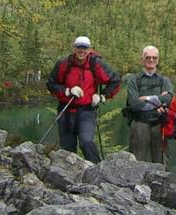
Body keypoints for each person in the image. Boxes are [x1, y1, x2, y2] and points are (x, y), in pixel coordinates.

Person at [46, 35, 121, 163]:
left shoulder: (96, 64)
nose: (82, 51)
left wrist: (102, 96)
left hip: (87, 110)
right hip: (66, 111)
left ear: (90, 49)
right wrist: (67, 91)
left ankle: (97, 169)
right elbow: (51, 83)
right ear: (74, 48)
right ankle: (69, 174)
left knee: (86, 142)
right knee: (67, 149)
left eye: (85, 48)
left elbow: (115, 80)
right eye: (79, 47)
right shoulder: (64, 64)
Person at [124, 45, 174, 164]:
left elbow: (168, 99)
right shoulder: (133, 79)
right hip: (139, 123)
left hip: (159, 123)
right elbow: (134, 104)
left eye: (154, 58)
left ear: (158, 60)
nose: (151, 60)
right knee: (137, 162)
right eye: (148, 57)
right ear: (142, 59)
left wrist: (146, 98)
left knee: (160, 162)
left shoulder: (164, 80)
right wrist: (158, 103)